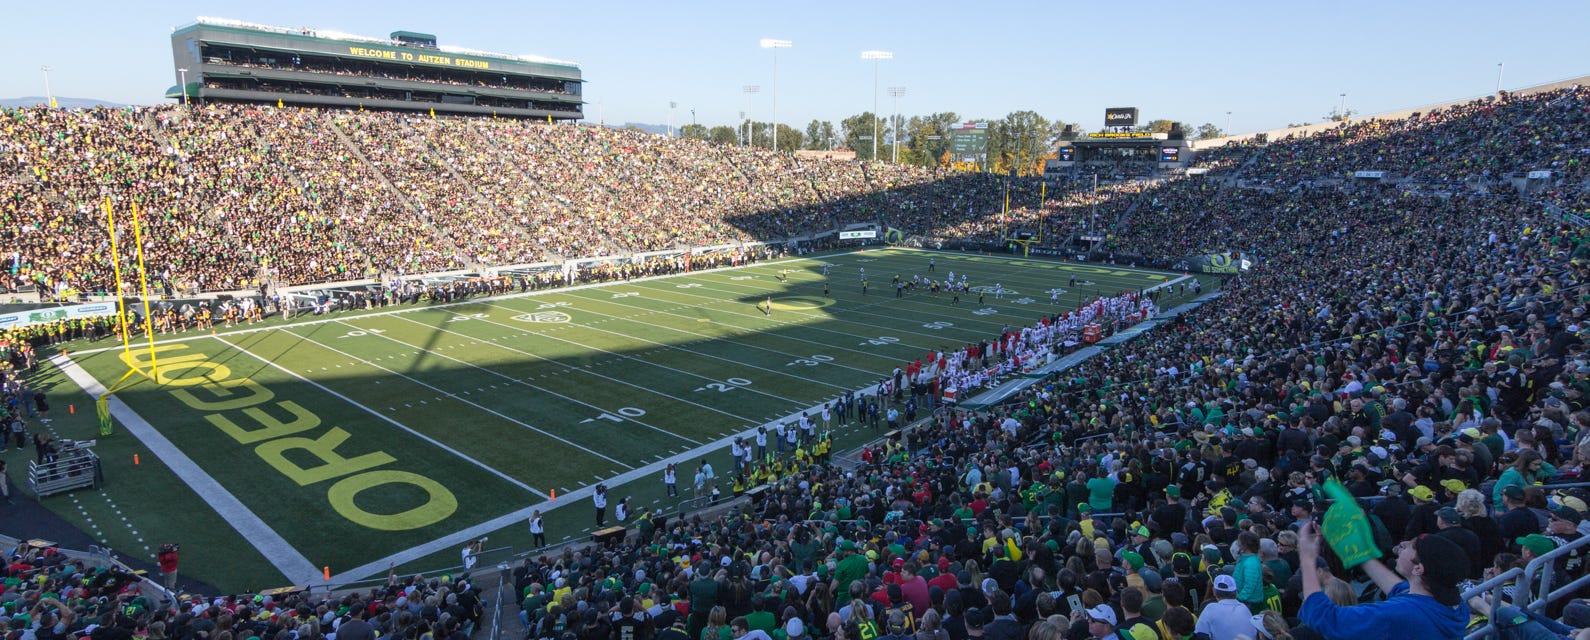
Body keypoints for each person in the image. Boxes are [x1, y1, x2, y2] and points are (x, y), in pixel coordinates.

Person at [1296, 520, 1469, 639]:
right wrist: (1358, 551)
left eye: (1411, 546)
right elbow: (1399, 589)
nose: (1403, 545)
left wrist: (1307, 559)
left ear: (1418, 568)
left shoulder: (1398, 614)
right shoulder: (1454, 604)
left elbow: (1327, 619)